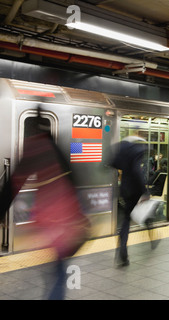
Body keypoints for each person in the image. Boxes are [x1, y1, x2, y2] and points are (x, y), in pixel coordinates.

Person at [0, 107, 89, 300]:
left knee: (57, 271)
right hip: (66, 218)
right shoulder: (56, 147)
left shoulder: (35, 147)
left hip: (53, 219)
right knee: (58, 269)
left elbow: (13, 182)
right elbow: (73, 181)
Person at [111, 135, 149, 267]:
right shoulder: (138, 151)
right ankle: (151, 232)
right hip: (135, 190)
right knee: (144, 210)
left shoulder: (123, 149)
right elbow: (136, 171)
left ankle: (122, 250)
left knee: (126, 220)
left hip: (125, 189)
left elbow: (113, 164)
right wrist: (144, 191)